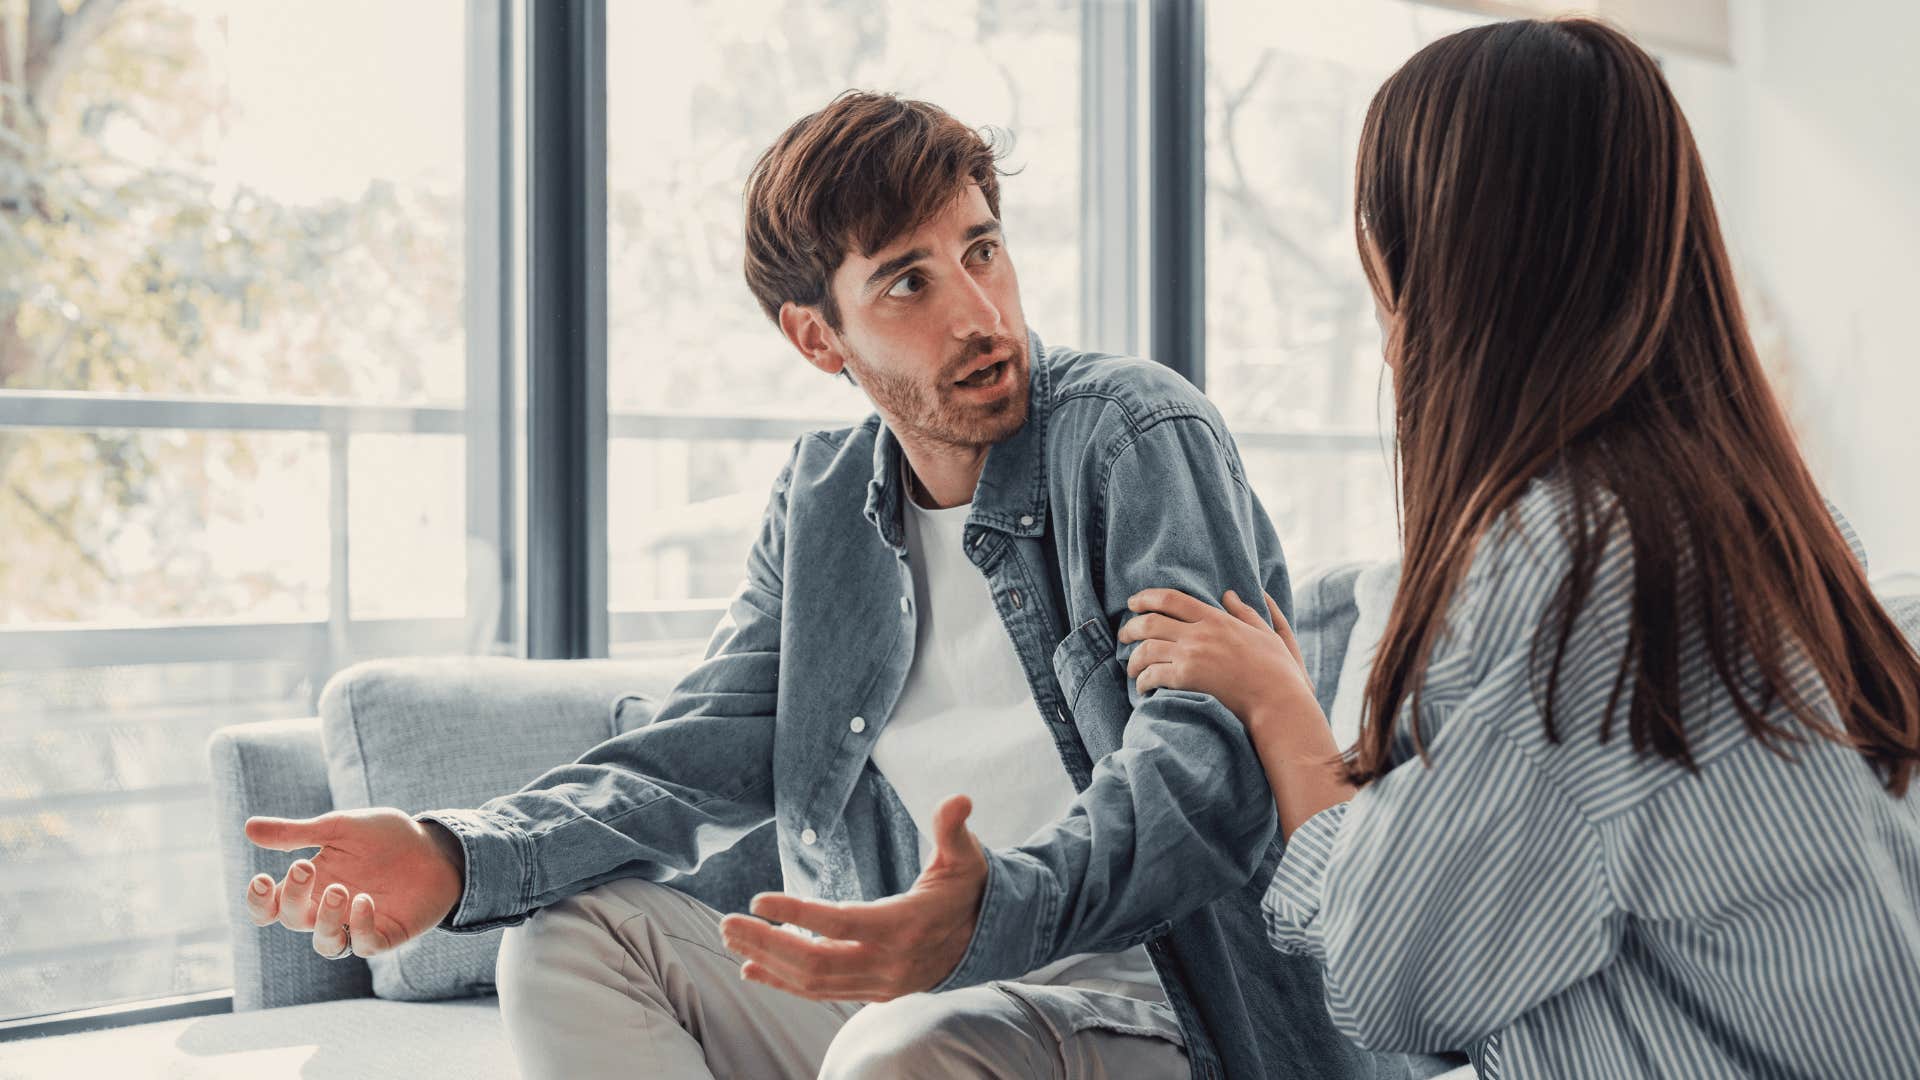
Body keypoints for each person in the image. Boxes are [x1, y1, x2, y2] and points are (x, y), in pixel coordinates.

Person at [241, 91, 1414, 1080]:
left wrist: (980, 919)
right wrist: (458, 855)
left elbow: (1204, 778)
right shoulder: (822, 505)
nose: (980, 314)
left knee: (898, 1054)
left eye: (982, 249)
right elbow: (699, 747)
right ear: (819, 338)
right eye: (909, 284)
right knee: (565, 947)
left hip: (1169, 1008)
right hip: (943, 986)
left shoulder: (1129, 434)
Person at [1121, 17, 1920, 1079]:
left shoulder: (1581, 571)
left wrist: (1278, 708)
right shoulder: (1772, 525)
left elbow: (1390, 975)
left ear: (1416, 256)